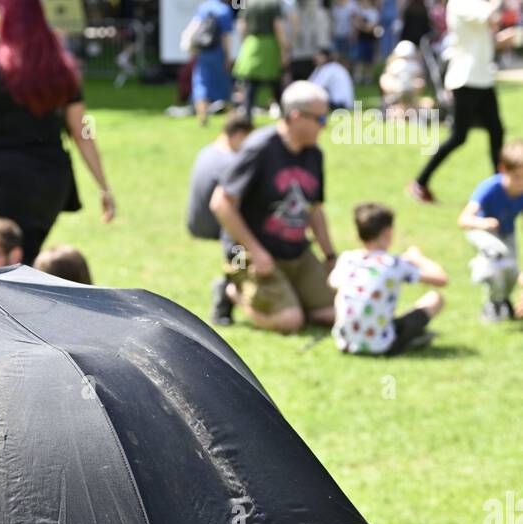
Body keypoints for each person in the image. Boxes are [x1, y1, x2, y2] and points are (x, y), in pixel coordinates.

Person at [0, 0, 115, 264]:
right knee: (25, 258)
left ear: (7, 17)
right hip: (51, 185)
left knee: (9, 264)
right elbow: (82, 131)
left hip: (6, 183)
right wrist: (103, 186)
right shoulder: (62, 70)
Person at [210, 81, 338, 333]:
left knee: (336, 312)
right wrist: (256, 252)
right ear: (296, 116)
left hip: (295, 251)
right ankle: (231, 291)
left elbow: (315, 210)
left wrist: (330, 256)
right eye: (319, 118)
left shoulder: (314, 154)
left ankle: (289, 294)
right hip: (250, 252)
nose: (324, 125)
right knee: (291, 322)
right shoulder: (260, 148)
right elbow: (221, 203)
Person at [408, 0, 511, 201]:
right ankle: (420, 182)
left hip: (482, 79)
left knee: (497, 132)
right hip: (466, 79)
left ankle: (500, 187)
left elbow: (488, 31)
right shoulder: (462, 3)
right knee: (458, 136)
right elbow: (490, 16)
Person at [329, 200, 447, 352]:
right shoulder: (394, 263)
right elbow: (441, 279)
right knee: (435, 298)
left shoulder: (347, 259)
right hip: (383, 346)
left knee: (341, 290)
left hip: (345, 343)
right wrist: (417, 258)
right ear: (388, 233)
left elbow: (332, 283)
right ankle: (411, 338)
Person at [185, 108, 255, 323]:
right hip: (215, 225)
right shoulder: (230, 163)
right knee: (242, 244)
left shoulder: (207, 151)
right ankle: (227, 290)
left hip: (196, 221)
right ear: (238, 134)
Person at [458, 136, 523, 318]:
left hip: (507, 234)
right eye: (517, 177)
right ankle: (488, 291)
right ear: (503, 169)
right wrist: (483, 223)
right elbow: (463, 219)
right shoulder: (490, 187)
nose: (521, 183)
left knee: (512, 272)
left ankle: (502, 300)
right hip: (481, 232)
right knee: (496, 256)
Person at [181, 0, 236, 125]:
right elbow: (225, 36)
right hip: (218, 52)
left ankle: (202, 118)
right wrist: (228, 57)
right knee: (223, 85)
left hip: (204, 52)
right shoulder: (224, 10)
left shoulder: (203, 7)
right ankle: (232, 120)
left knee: (201, 84)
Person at [234, 0, 288, 117]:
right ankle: (285, 116)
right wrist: (284, 50)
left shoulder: (247, 2)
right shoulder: (274, 4)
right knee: (276, 83)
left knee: (250, 85)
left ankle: (247, 117)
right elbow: (278, 26)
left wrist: (245, 44)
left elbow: (242, 26)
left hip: (252, 45)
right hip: (269, 46)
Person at [379, 37, 429, 110]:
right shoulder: (393, 65)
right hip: (395, 94)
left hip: (410, 94)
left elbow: (420, 81)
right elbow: (385, 80)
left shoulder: (415, 66)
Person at [289, 0, 332, 79]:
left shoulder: (320, 13)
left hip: (313, 56)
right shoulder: (293, 11)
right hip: (297, 55)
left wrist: (323, 52)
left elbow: (323, 34)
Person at [352, 0, 380, 81]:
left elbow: (370, 28)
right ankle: (357, 77)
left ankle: (368, 77)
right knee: (358, 59)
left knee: (369, 60)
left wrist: (361, 25)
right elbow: (355, 25)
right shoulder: (359, 11)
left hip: (370, 40)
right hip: (360, 39)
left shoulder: (373, 12)